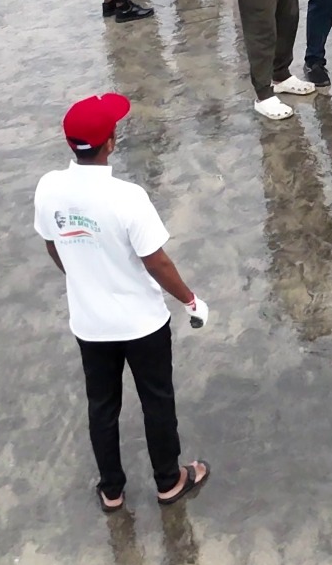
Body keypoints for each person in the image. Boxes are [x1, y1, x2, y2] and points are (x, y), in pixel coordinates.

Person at [35, 93, 210, 509]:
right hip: (142, 324)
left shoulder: (48, 188)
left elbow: (52, 244)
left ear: (70, 143)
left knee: (102, 406)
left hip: (90, 324)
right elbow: (157, 262)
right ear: (110, 143)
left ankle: (111, 490)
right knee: (157, 401)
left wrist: (82, 277)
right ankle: (169, 481)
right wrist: (190, 300)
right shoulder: (128, 196)